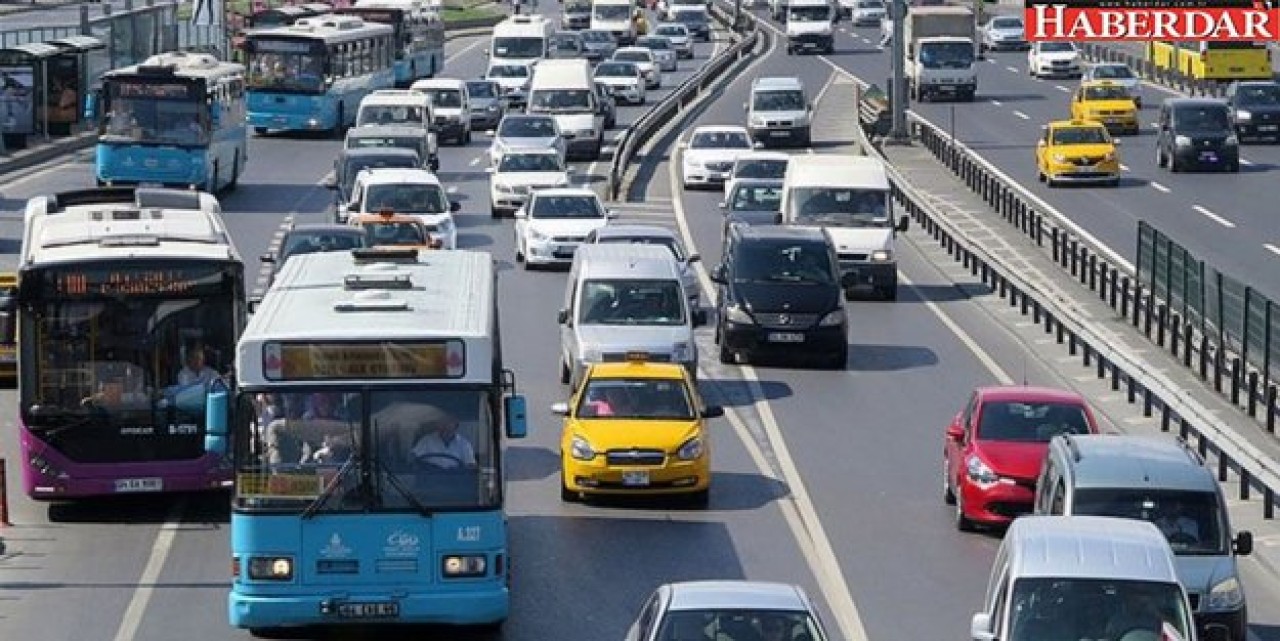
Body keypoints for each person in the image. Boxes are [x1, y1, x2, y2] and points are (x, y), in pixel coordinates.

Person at [410, 409, 477, 470]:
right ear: (438, 424)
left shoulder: (464, 444)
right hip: (430, 479)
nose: (445, 425)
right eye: (442, 422)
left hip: (455, 480)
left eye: (449, 422)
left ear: (456, 425)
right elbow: (413, 457)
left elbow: (470, 465)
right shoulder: (427, 440)